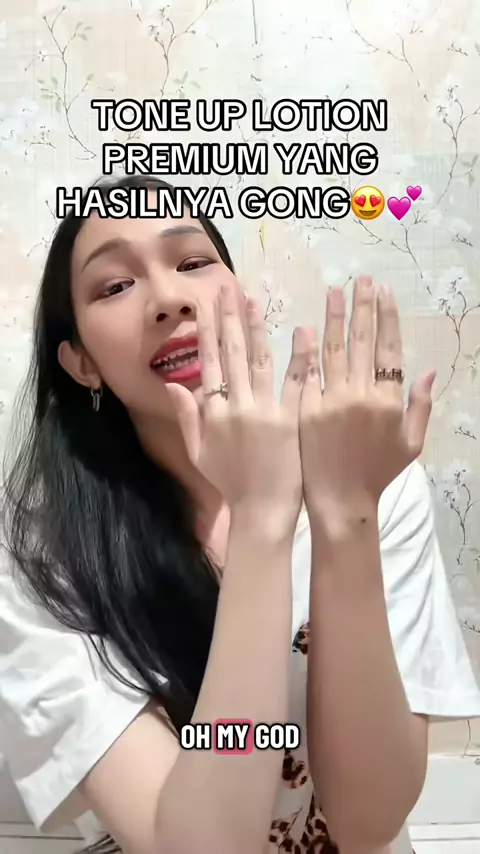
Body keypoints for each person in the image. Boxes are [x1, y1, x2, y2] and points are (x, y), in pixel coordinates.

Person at [0, 174, 479, 854]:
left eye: (193, 262)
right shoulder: (42, 553)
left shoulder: (368, 478)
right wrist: (260, 519)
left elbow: (366, 822)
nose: (170, 298)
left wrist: (346, 514)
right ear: (81, 364)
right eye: (116, 285)